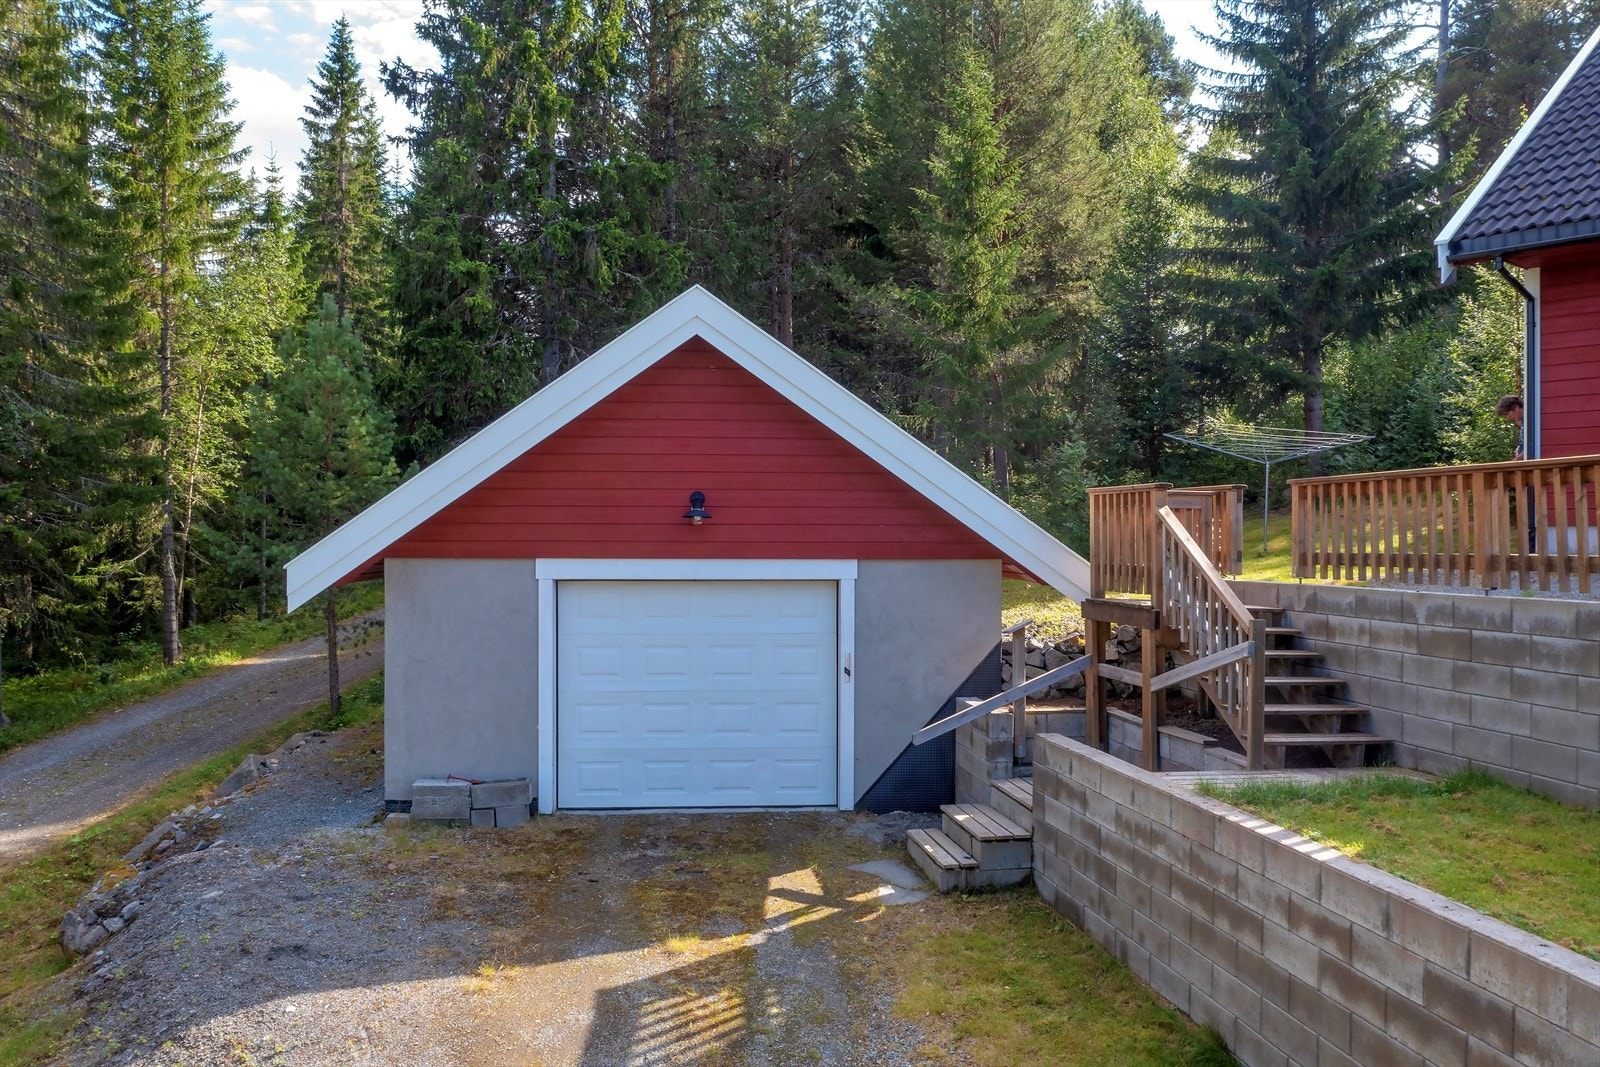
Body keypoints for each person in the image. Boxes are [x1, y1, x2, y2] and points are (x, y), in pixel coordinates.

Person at [1496, 395, 1525, 460]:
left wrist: (1516, 460)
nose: (1507, 418)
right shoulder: (1523, 423)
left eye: (1507, 414)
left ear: (1516, 407)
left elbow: (1530, 448)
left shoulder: (1530, 421)